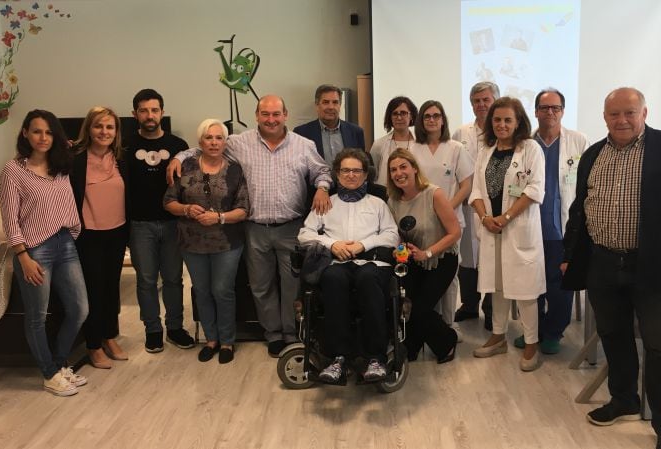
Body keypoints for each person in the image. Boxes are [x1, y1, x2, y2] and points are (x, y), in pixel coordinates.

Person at [561, 87, 661, 449]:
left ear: (645, 112)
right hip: (602, 262)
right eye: (614, 114)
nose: (622, 120)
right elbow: (580, 208)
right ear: (604, 117)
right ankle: (624, 399)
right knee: (613, 336)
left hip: (651, 265)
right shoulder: (594, 154)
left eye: (630, 112)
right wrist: (571, 252)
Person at [168, 95, 333, 357]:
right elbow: (207, 147)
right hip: (254, 228)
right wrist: (179, 156)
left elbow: (323, 172)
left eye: (276, 114)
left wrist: (322, 189)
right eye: (265, 114)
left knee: (291, 284)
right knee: (261, 285)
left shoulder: (304, 145)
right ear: (256, 115)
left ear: (285, 115)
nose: (271, 119)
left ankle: (291, 334)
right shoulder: (238, 142)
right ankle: (273, 335)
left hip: (291, 227)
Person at [0, 109, 89, 396]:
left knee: (79, 309)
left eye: (49, 132)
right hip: (35, 249)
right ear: (25, 133)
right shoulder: (13, 170)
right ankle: (49, 373)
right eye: (37, 131)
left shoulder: (60, 165)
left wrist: (72, 234)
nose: (43, 137)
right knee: (37, 316)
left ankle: (59, 365)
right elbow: (10, 219)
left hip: (65, 242)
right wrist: (23, 256)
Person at [298, 148, 399, 383]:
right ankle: (337, 358)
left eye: (356, 171)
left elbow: (392, 236)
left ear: (365, 175)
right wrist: (332, 244)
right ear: (337, 174)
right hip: (336, 263)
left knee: (367, 278)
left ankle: (376, 357)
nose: (351, 175)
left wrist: (362, 245)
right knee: (333, 278)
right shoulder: (326, 203)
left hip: (371, 261)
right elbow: (305, 235)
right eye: (345, 170)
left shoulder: (377, 204)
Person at [469, 96, 545, 372]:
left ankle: (532, 343)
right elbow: (476, 191)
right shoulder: (486, 151)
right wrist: (486, 217)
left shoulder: (530, 149)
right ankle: (498, 335)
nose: (501, 124)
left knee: (525, 290)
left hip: (518, 228)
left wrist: (506, 216)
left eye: (507, 120)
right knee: (497, 286)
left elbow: (534, 190)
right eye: (497, 119)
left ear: (518, 122)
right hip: (492, 229)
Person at [164, 119, 249, 364]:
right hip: (192, 243)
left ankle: (227, 342)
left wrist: (220, 217)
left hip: (227, 242)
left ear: (225, 142)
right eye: (208, 138)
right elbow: (168, 202)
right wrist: (186, 209)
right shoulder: (185, 166)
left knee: (222, 291)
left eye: (218, 138)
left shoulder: (235, 169)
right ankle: (211, 339)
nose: (214, 142)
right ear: (200, 141)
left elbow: (243, 209)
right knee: (201, 291)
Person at [512, 88, 588, 355]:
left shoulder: (578, 141)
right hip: (530, 225)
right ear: (535, 112)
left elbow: (586, 185)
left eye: (556, 108)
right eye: (545, 108)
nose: (550, 113)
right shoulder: (523, 144)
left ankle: (554, 331)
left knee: (559, 283)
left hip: (562, 226)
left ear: (563, 111)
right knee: (532, 282)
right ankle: (535, 330)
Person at [124, 88, 194, 353]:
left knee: (174, 279)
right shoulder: (125, 147)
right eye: (144, 110)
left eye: (154, 110)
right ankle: (152, 330)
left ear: (162, 112)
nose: (149, 115)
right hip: (140, 225)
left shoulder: (179, 146)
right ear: (135, 114)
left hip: (173, 223)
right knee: (146, 280)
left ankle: (175, 328)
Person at [387, 148, 461, 363]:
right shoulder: (393, 200)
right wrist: (399, 248)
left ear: (414, 169)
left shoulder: (434, 193)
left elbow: (455, 233)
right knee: (407, 305)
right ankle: (413, 345)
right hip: (414, 261)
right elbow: (397, 235)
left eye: (403, 167)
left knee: (419, 309)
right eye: (393, 170)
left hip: (441, 258)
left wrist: (427, 252)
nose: (398, 173)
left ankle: (448, 340)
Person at [70, 106, 130, 370]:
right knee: (93, 290)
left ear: (116, 132)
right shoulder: (74, 158)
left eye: (109, 127)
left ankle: (109, 336)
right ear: (89, 129)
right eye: (98, 126)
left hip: (117, 232)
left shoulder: (121, 158)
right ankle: (93, 345)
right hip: (88, 235)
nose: (104, 132)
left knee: (110, 288)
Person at [412, 100, 472, 330]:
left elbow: (466, 185)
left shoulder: (456, 147)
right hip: (422, 220)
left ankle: (448, 325)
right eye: (427, 116)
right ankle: (430, 326)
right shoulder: (413, 149)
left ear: (443, 119)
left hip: (451, 220)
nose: (432, 120)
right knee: (426, 274)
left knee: (449, 275)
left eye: (436, 116)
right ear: (421, 121)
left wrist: (446, 208)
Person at [453, 82, 500, 330]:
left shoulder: (502, 129)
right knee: (467, 258)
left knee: (491, 257)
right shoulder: (461, 132)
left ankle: (491, 310)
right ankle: (469, 305)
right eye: (476, 100)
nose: (481, 105)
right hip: (466, 205)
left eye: (486, 100)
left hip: (493, 205)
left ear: (495, 101)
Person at [293, 84, 366, 164]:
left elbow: (361, 165)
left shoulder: (356, 132)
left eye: (335, 102)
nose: (331, 107)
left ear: (340, 105)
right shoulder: (301, 133)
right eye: (326, 102)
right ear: (317, 105)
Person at [370, 96, 418, 186]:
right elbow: (374, 175)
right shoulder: (379, 144)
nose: (399, 118)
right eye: (395, 114)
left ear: (411, 116)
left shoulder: (421, 144)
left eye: (403, 113)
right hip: (386, 196)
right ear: (390, 117)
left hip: (414, 196)